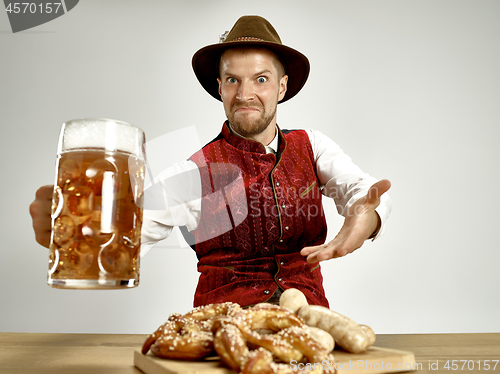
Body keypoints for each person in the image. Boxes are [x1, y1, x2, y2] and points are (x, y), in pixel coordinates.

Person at [30, 15, 391, 308]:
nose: (245, 93)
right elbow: (130, 232)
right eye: (233, 80)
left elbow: (360, 188)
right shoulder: (196, 170)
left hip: (309, 325)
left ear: (281, 87)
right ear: (220, 87)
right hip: (221, 332)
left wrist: (366, 214)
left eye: (261, 79)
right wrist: (77, 232)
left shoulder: (313, 146)